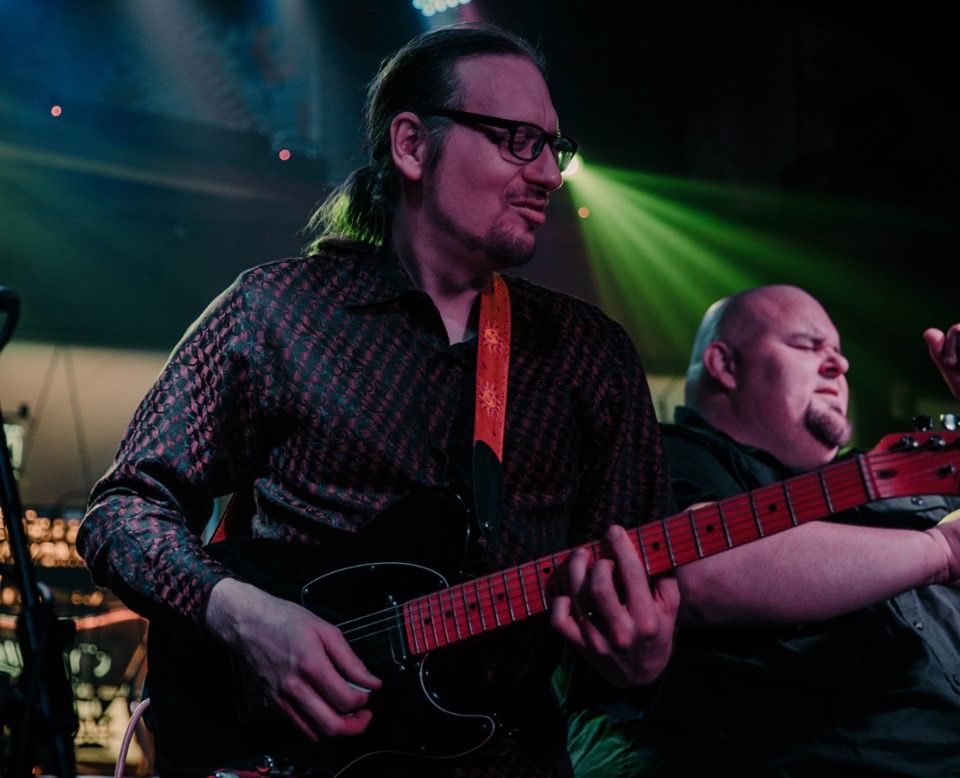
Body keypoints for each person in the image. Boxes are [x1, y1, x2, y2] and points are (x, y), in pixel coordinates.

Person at [77, 23, 678, 776]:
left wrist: (641, 662)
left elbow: (627, 601)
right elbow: (123, 512)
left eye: (553, 148)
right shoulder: (276, 312)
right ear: (412, 145)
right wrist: (242, 615)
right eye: (519, 141)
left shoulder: (592, 357)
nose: (550, 175)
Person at [563, 284, 960, 776]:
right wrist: (940, 550)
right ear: (724, 364)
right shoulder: (662, 456)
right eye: (806, 345)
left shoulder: (892, 473)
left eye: (839, 351)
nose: (839, 364)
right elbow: (697, 565)